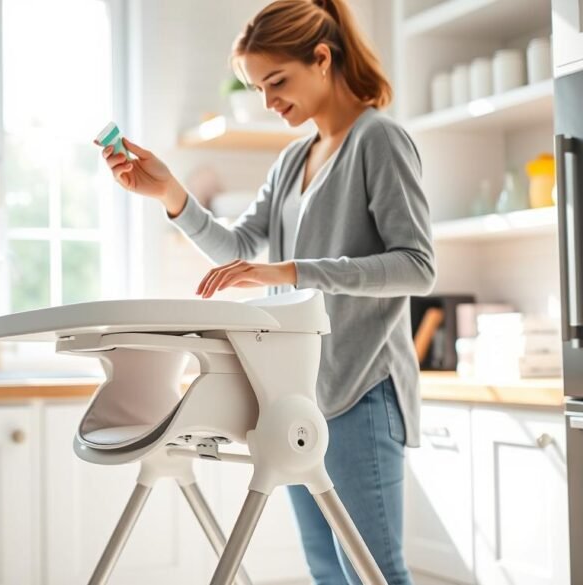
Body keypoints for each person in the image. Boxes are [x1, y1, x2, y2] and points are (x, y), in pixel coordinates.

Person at [97, 0, 435, 583]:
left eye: (277, 81)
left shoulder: (378, 140)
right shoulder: (292, 159)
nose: (269, 101)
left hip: (362, 388)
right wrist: (170, 195)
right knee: (328, 571)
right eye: (258, 88)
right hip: (297, 394)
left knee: (374, 571)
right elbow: (238, 250)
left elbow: (416, 267)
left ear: (322, 59)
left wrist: (294, 271)